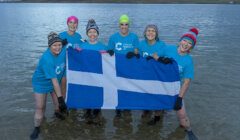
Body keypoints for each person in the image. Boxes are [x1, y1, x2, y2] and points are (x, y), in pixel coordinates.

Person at [153, 27, 199, 140]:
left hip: (175, 89)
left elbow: (187, 81)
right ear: (180, 41)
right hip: (162, 85)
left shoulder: (188, 60)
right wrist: (160, 59)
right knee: (158, 107)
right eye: (185, 40)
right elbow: (154, 54)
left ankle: (189, 130)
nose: (186, 44)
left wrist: (179, 98)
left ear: (191, 47)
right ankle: (157, 120)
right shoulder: (169, 49)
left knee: (182, 116)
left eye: (189, 43)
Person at [30, 32, 68, 139]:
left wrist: (71, 44)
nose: (57, 48)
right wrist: (61, 99)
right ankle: (37, 127)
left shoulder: (63, 49)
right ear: (49, 46)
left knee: (57, 105)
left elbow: (73, 45)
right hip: (41, 83)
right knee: (40, 107)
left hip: (54, 82)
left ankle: (57, 116)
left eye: (59, 44)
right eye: (54, 45)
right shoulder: (47, 58)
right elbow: (55, 81)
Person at [132, 24, 172, 125]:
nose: (150, 33)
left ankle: (157, 117)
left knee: (157, 97)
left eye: (153, 31)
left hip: (157, 77)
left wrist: (158, 58)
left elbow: (166, 58)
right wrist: (135, 54)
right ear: (145, 33)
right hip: (145, 76)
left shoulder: (161, 45)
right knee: (145, 95)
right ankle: (146, 110)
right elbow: (137, 58)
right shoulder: (141, 44)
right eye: (148, 30)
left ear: (156, 34)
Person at [108, 14, 139, 117]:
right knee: (117, 87)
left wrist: (134, 54)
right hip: (117, 68)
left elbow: (136, 51)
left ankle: (127, 106)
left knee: (128, 87)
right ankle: (118, 107)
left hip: (129, 68)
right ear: (119, 25)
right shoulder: (113, 37)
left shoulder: (134, 37)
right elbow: (109, 51)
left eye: (126, 24)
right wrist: (110, 52)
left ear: (128, 25)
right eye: (122, 24)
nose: (124, 26)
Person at [81, 19, 108, 120]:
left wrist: (109, 53)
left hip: (98, 76)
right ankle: (87, 111)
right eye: (90, 31)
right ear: (87, 33)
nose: (92, 34)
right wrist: (72, 48)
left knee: (97, 93)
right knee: (87, 93)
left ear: (97, 33)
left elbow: (110, 59)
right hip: (87, 76)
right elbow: (74, 56)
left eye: (94, 32)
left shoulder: (103, 46)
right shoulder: (82, 45)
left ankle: (97, 112)